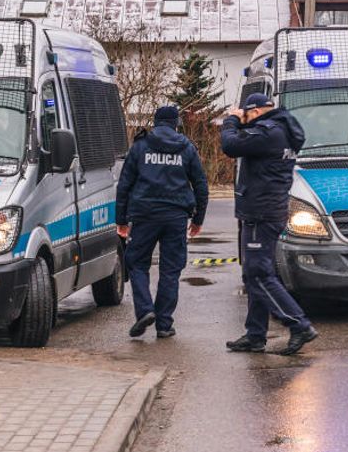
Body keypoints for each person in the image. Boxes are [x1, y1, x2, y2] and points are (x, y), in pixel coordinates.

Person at [220, 92, 319, 355]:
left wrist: (231, 120)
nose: (246, 119)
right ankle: (255, 334)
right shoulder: (281, 130)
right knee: (254, 273)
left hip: (260, 212)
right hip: (267, 209)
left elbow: (230, 145)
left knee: (259, 273)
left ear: (256, 111)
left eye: (248, 115)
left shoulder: (268, 133)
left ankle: (299, 324)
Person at [116, 105, 208, 339]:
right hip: (176, 217)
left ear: (155, 123)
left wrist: (122, 220)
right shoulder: (186, 148)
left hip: (144, 215)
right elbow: (200, 185)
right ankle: (164, 324)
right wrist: (198, 219)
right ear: (176, 123)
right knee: (170, 270)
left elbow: (124, 185)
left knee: (136, 263)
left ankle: (145, 310)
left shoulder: (140, 147)